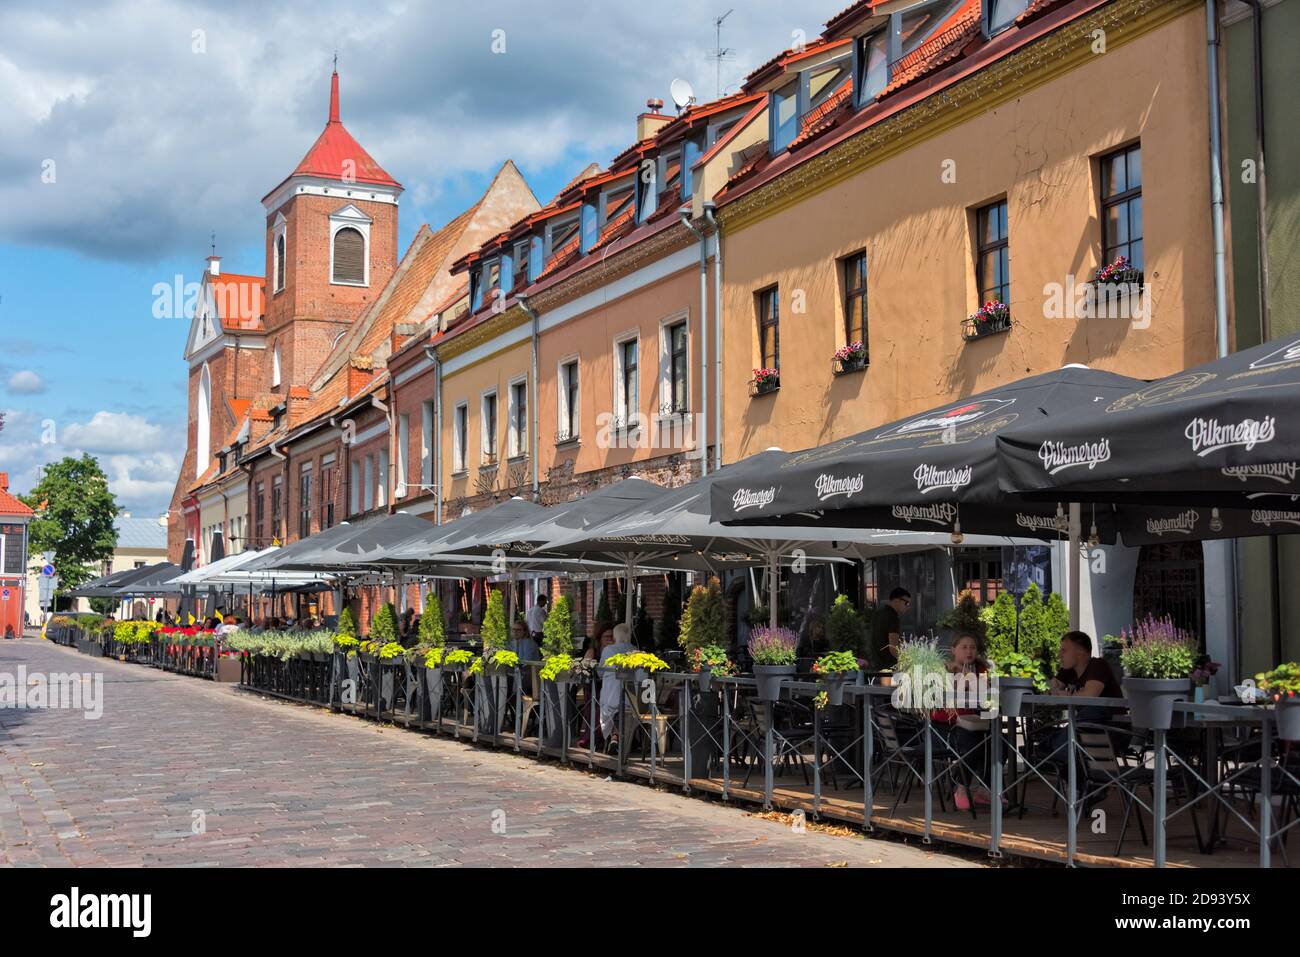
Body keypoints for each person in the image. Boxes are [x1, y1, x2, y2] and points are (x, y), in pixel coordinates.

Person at [930, 633, 994, 810]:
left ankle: (984, 789)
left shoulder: (980, 668)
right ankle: (961, 789)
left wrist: (966, 674)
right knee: (972, 742)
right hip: (944, 727)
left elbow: (986, 690)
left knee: (998, 743)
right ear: (953, 650)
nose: (969, 651)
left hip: (972, 723)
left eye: (972, 647)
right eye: (964, 647)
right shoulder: (942, 669)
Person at [1046, 630, 1124, 756]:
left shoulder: (1098, 665)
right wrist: (1055, 687)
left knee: (1091, 712)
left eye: (1064, 651)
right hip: (1087, 730)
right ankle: (1053, 747)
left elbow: (1090, 696)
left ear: (1080, 653)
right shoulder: (1069, 670)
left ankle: (1053, 746)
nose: (1059, 655)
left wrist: (1066, 695)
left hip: (1112, 731)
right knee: (1063, 737)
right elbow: (1052, 689)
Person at [597, 623, 638, 742]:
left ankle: (615, 736)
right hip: (632, 692)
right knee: (624, 709)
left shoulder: (608, 649)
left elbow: (600, 672)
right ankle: (624, 737)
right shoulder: (635, 649)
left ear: (615, 636)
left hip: (612, 691)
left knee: (614, 708)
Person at [870, 587, 911, 671]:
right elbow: (893, 648)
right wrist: (909, 662)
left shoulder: (877, 614)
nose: (908, 607)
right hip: (890, 668)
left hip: (876, 666)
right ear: (896, 600)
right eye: (906, 603)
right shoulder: (892, 617)